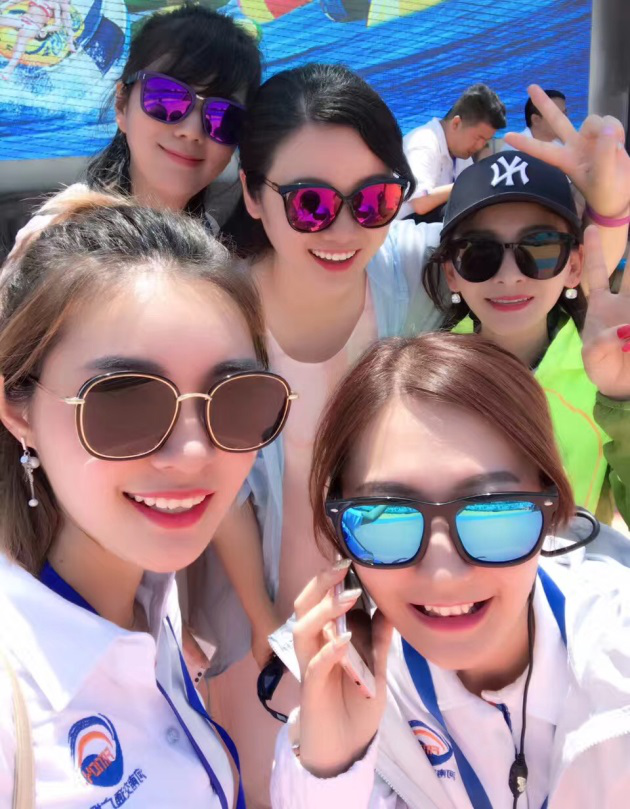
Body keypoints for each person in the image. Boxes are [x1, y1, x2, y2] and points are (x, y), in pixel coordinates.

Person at [191, 73, 628, 808]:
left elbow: (526, 273)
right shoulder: (213, 310)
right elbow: (218, 483)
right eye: (309, 203)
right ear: (255, 194)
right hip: (258, 610)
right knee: (281, 778)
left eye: (372, 200)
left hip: (413, 591)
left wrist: (608, 210)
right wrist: (271, 630)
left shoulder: (403, 273)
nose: (343, 230)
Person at [0, 190, 295, 807]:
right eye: (125, 400)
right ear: (18, 410)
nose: (192, 453)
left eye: (236, 399)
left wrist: (330, 760)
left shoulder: (153, 597)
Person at [271, 331, 630, 808]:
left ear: (551, 507)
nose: (444, 574)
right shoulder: (342, 685)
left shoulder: (617, 654)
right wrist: (332, 767)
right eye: (388, 518)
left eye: (492, 511)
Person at [423, 145, 630, 523]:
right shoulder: (422, 380)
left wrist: (623, 402)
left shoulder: (609, 376)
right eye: (479, 252)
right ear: (451, 272)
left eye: (540, 248)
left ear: (574, 267)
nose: (509, 276)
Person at [11, 3, 261, 247]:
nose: (191, 131)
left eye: (223, 115)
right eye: (166, 97)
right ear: (122, 104)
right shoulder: (57, 236)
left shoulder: (214, 247)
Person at [398, 84, 506, 222]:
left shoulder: (460, 153)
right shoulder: (423, 142)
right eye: (478, 138)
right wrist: (470, 184)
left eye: (485, 141)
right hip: (404, 229)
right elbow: (420, 203)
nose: (479, 146)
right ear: (456, 123)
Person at [0, 0, 75, 80]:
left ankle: (9, 70)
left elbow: (57, 25)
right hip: (22, 19)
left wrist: (46, 29)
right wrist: (3, 7)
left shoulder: (54, 5)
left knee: (23, 35)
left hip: (34, 25)